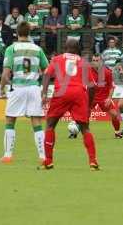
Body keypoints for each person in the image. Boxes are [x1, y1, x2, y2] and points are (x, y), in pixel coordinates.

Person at [41, 39, 99, 171]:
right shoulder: (83, 62)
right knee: (85, 128)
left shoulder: (56, 59)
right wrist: (89, 105)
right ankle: (93, 162)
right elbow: (92, 86)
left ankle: (48, 161)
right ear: (78, 49)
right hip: (79, 93)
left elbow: (46, 75)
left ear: (65, 47)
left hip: (61, 92)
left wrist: (44, 93)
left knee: (50, 125)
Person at [0, 22, 49, 164]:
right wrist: (44, 89)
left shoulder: (12, 48)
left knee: (10, 120)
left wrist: (1, 88)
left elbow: (6, 73)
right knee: (36, 122)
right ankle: (43, 156)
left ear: (17, 32)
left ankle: (8, 155)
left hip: (18, 87)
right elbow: (48, 70)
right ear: (29, 33)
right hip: (34, 88)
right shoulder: (37, 49)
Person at [89, 53, 121, 139]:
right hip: (91, 97)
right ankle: (76, 131)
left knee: (114, 114)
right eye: (93, 61)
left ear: (101, 62)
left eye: (97, 60)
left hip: (104, 97)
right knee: (83, 114)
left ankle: (117, 132)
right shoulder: (87, 71)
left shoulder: (107, 72)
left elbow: (111, 87)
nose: (95, 62)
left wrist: (109, 98)